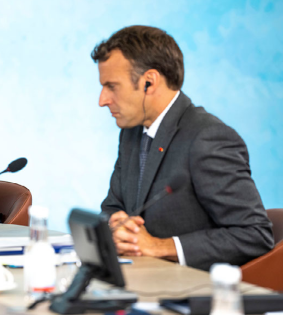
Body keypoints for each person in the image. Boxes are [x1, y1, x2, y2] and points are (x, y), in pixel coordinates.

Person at [93, 25, 273, 271]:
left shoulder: (208, 138)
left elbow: (255, 235)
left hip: (191, 295)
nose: (102, 100)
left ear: (149, 82)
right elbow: (113, 206)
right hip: (140, 280)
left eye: (112, 86)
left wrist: (159, 246)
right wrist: (116, 226)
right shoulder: (131, 133)